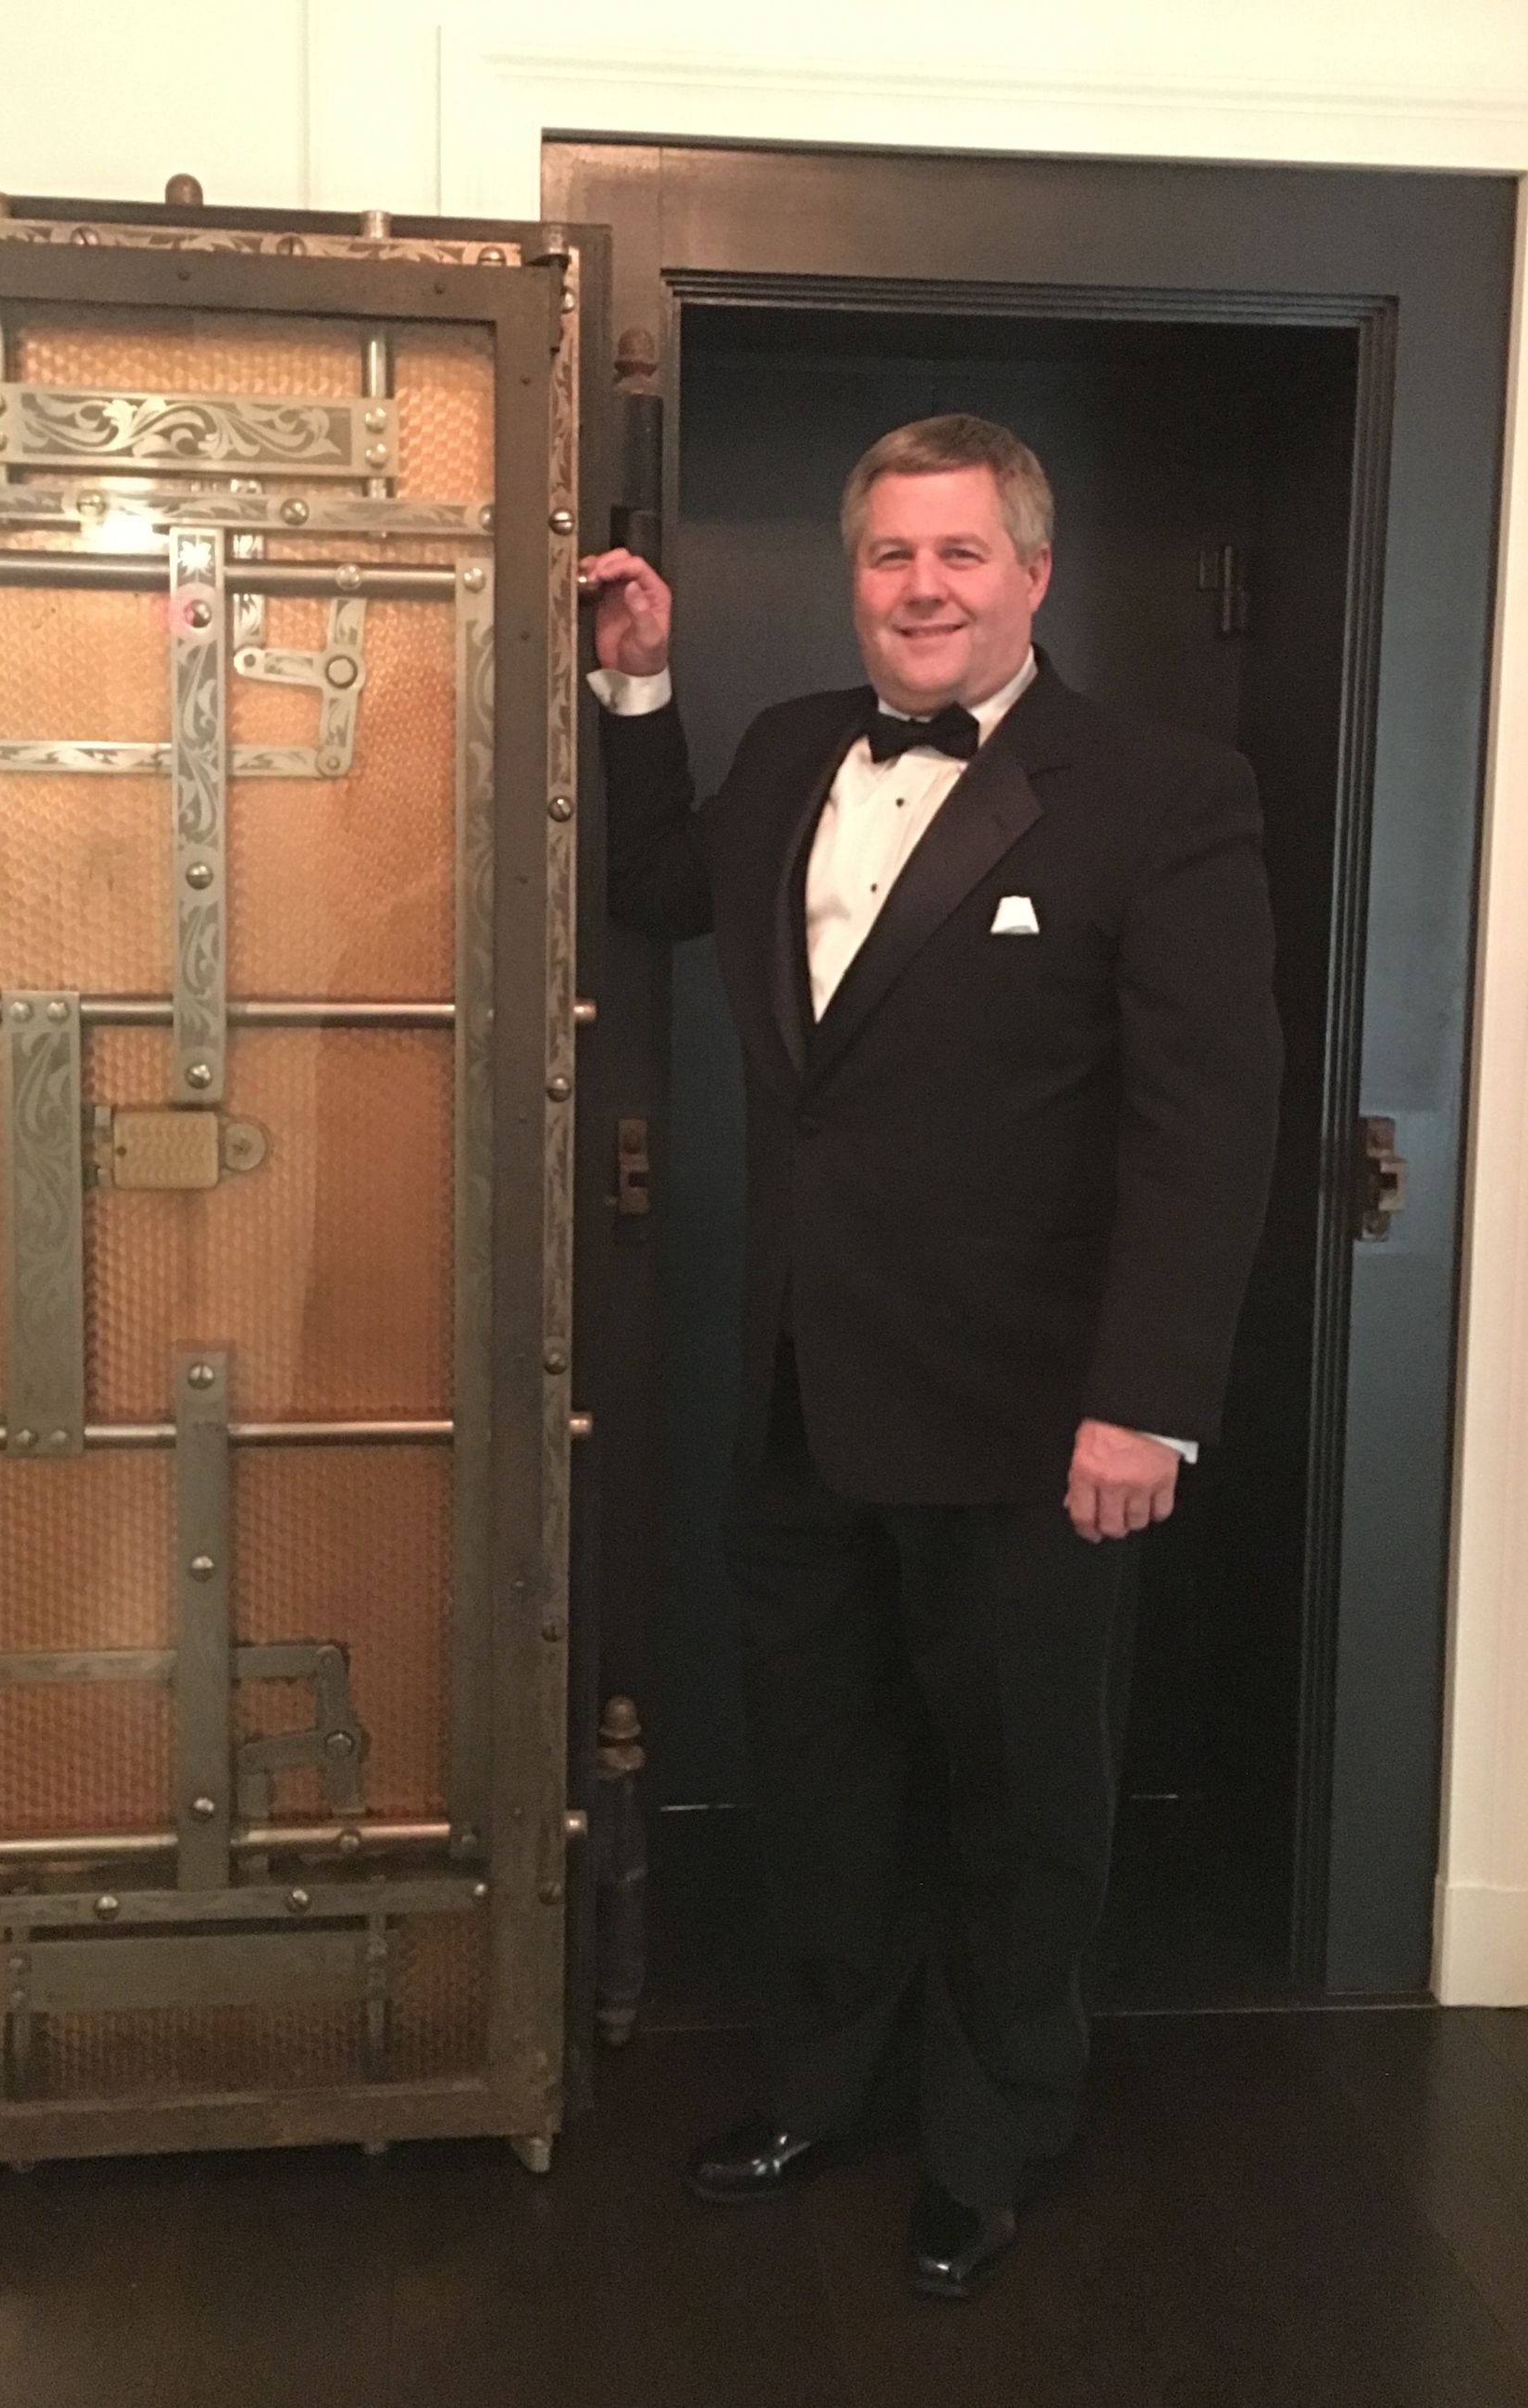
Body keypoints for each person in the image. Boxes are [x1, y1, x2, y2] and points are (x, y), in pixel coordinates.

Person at [583, 414, 1283, 2301]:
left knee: (1020, 1789)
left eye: (962, 552)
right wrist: (638, 683)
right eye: (894, 553)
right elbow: (661, 890)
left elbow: (1205, 1128)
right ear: (856, 576)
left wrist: (1147, 1399)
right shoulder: (795, 747)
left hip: (1038, 1416)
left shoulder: (1161, 789)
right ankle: (825, 2081)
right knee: (823, 1767)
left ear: (1034, 576)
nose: (924, 586)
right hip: (804, 1387)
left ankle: (999, 2131)